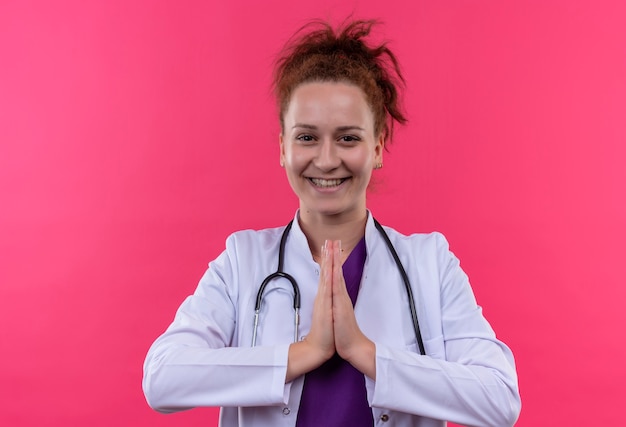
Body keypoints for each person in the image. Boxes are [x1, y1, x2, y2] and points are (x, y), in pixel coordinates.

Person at [142, 19, 521, 427]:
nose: (326, 160)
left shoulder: (430, 262)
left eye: (348, 138)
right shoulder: (243, 261)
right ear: (282, 148)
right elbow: (162, 378)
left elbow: (500, 399)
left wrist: (365, 353)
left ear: (377, 147)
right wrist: (306, 352)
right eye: (306, 137)